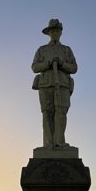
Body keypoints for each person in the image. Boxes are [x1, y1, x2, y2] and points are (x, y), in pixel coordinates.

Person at [31, 19, 77, 148]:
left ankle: (60, 142)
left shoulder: (66, 50)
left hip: (62, 84)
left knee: (61, 112)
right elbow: (34, 67)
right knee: (47, 113)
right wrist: (47, 63)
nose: (55, 33)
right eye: (52, 31)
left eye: (57, 30)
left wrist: (62, 64)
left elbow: (74, 68)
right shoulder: (42, 50)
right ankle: (49, 144)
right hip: (45, 83)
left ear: (60, 32)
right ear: (49, 33)